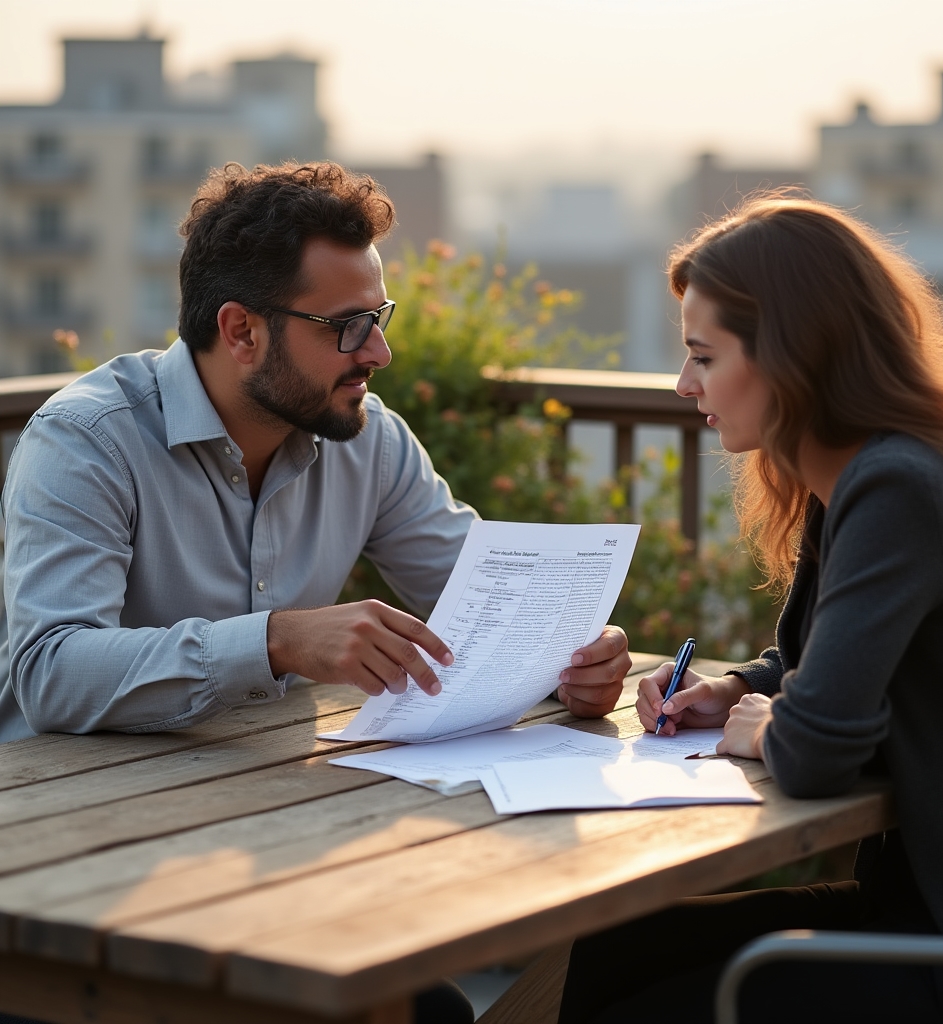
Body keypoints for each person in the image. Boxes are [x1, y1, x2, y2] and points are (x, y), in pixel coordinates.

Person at [0, 163, 632, 1023]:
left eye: (379, 319)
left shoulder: (370, 444)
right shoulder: (87, 441)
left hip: (268, 834)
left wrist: (574, 657)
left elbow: (488, 593)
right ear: (242, 331)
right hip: (76, 867)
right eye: (348, 327)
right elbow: (47, 670)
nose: (379, 352)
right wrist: (275, 640)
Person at [557, 196, 943, 1024]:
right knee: (616, 946)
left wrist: (775, 726)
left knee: (652, 1005)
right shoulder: (854, 475)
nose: (682, 383)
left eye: (704, 355)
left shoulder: (898, 486)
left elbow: (816, 750)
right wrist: (737, 690)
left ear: (793, 355)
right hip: (930, 905)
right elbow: (834, 668)